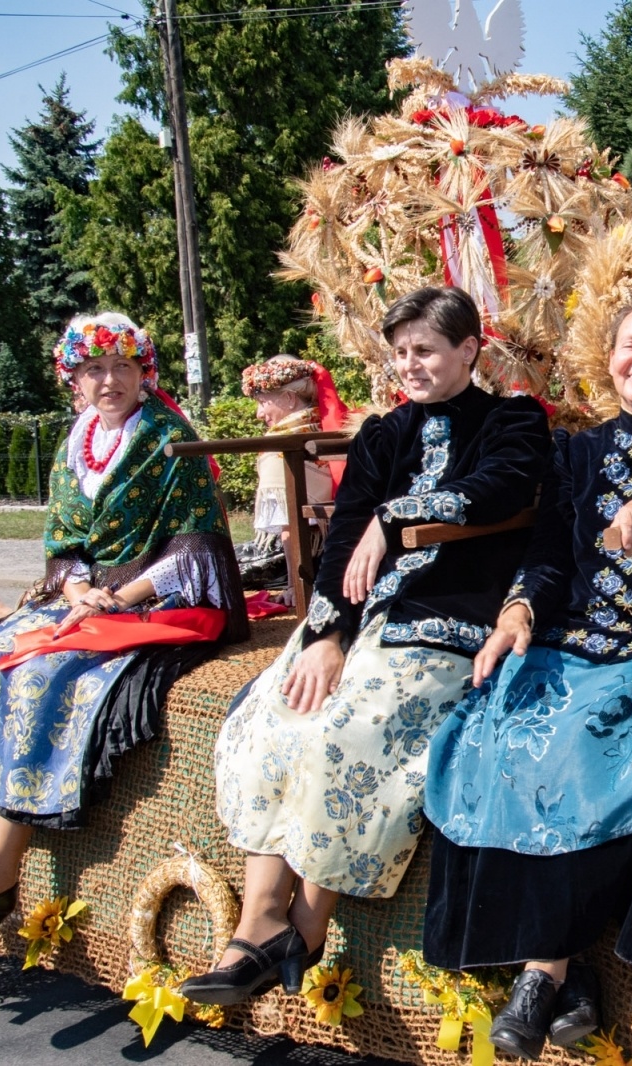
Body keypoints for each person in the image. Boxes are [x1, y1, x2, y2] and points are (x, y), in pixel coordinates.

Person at [186, 287, 551, 1006]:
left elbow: (502, 487)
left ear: (469, 350)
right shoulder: (384, 433)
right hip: (365, 617)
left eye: (425, 351)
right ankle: (260, 921)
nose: (409, 365)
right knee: (277, 714)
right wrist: (325, 636)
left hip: (447, 618)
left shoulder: (512, 421)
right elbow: (344, 539)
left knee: (348, 730)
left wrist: (397, 515)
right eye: (400, 352)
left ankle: (306, 923)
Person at [422, 297, 632, 1059]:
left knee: (583, 747)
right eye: (629, 344)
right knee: (494, 729)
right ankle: (571, 979)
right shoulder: (574, 451)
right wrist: (516, 612)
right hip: (576, 639)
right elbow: (547, 553)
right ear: (608, 360)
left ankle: (540, 972)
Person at [0, 312, 248, 927]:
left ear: (144, 373)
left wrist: (118, 597)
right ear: (73, 380)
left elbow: (196, 547)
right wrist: (80, 588)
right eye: (94, 369)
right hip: (88, 598)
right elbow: (64, 544)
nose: (109, 380)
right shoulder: (75, 442)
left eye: (122, 367)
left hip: (158, 601)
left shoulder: (169, 438)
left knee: (44, 676)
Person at [233, 355, 349, 600]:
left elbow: (290, 525)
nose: (258, 413)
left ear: (289, 399)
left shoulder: (278, 449)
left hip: (320, 564)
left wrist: (295, 587)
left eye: (262, 402)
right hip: (345, 551)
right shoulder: (335, 425)